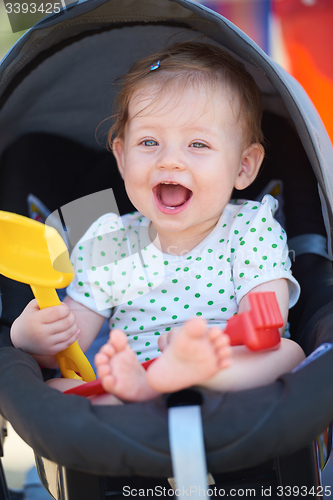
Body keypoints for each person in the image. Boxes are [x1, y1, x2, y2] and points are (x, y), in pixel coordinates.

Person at [10, 41, 305, 404]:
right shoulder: (111, 241)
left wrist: (204, 349)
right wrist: (33, 336)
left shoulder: (250, 228)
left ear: (243, 167)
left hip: (226, 367)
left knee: (288, 352)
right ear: (121, 158)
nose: (171, 161)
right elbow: (67, 347)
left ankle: (191, 374)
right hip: (133, 378)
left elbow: (266, 319)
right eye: (149, 142)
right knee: (55, 389)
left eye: (198, 145)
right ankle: (147, 387)